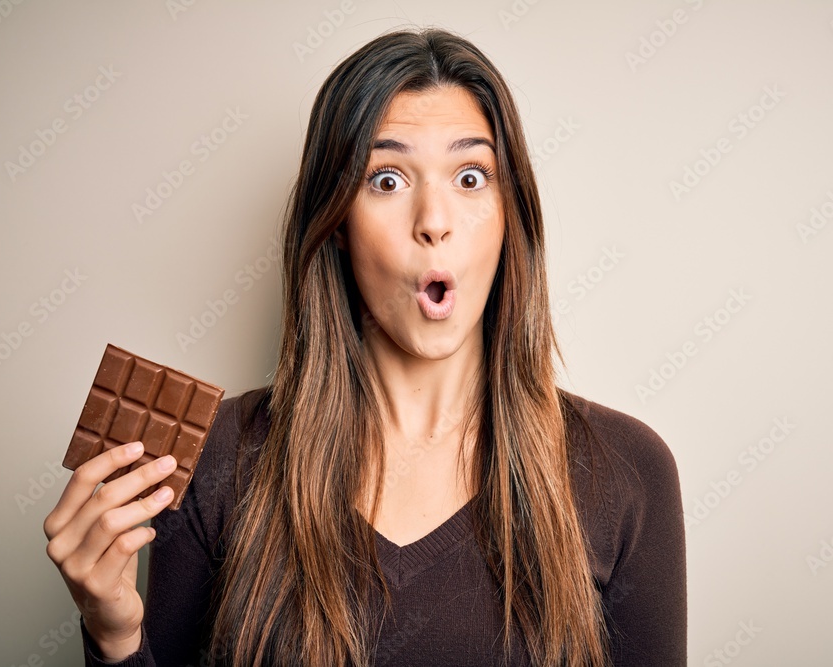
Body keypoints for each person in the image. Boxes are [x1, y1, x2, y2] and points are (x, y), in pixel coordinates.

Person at [44, 26, 687, 666]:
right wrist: (115, 638)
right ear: (337, 226)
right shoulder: (220, 460)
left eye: (470, 176)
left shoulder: (627, 473)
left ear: (510, 217)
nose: (434, 220)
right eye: (386, 180)